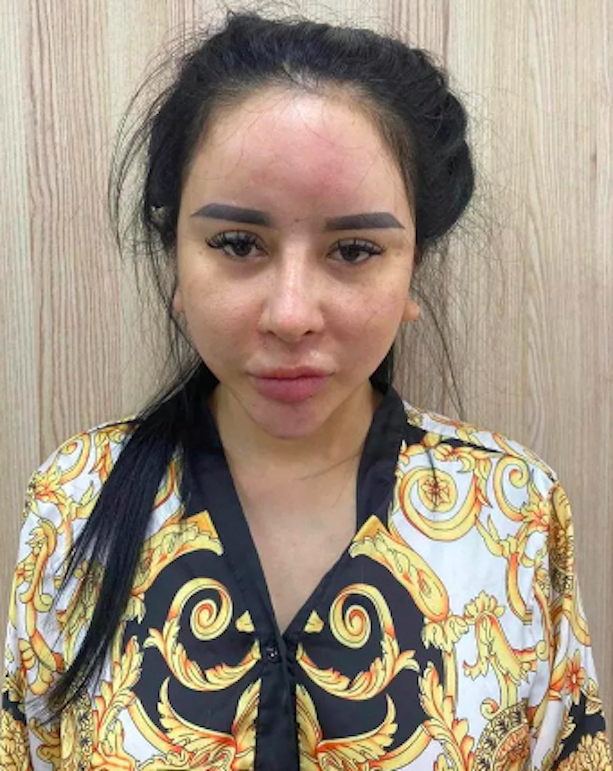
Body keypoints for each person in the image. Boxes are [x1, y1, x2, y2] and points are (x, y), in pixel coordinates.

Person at [1, 10, 609, 771]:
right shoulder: (75, 500)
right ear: (176, 260)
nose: (291, 315)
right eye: (237, 243)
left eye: (353, 249)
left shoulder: (512, 509)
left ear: (412, 267)